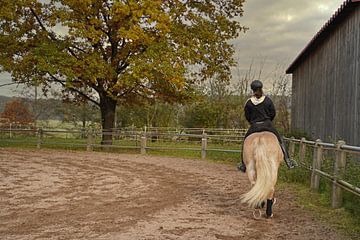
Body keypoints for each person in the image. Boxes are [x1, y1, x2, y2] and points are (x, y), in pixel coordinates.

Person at [238, 80, 296, 173]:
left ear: (252, 90)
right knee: (280, 140)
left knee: (245, 141)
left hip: (254, 126)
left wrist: (253, 122)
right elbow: (273, 113)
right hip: (267, 125)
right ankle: (288, 161)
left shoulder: (249, 103)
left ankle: (243, 165)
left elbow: (247, 116)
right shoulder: (267, 100)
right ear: (261, 88)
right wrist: (268, 121)